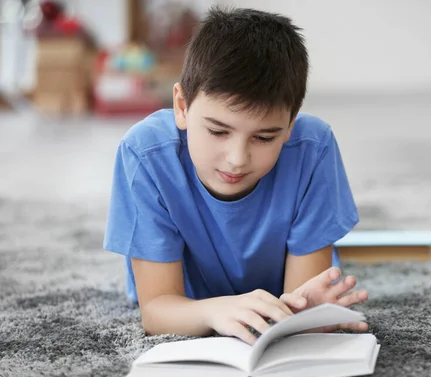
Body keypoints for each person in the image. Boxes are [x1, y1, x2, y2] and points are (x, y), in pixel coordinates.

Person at [103, 6, 368, 345]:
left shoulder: (312, 149)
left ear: (290, 123)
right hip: (185, 300)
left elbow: (299, 301)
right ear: (182, 107)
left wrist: (302, 313)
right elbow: (157, 310)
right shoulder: (145, 153)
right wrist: (216, 312)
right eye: (218, 131)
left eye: (264, 137)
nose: (237, 160)